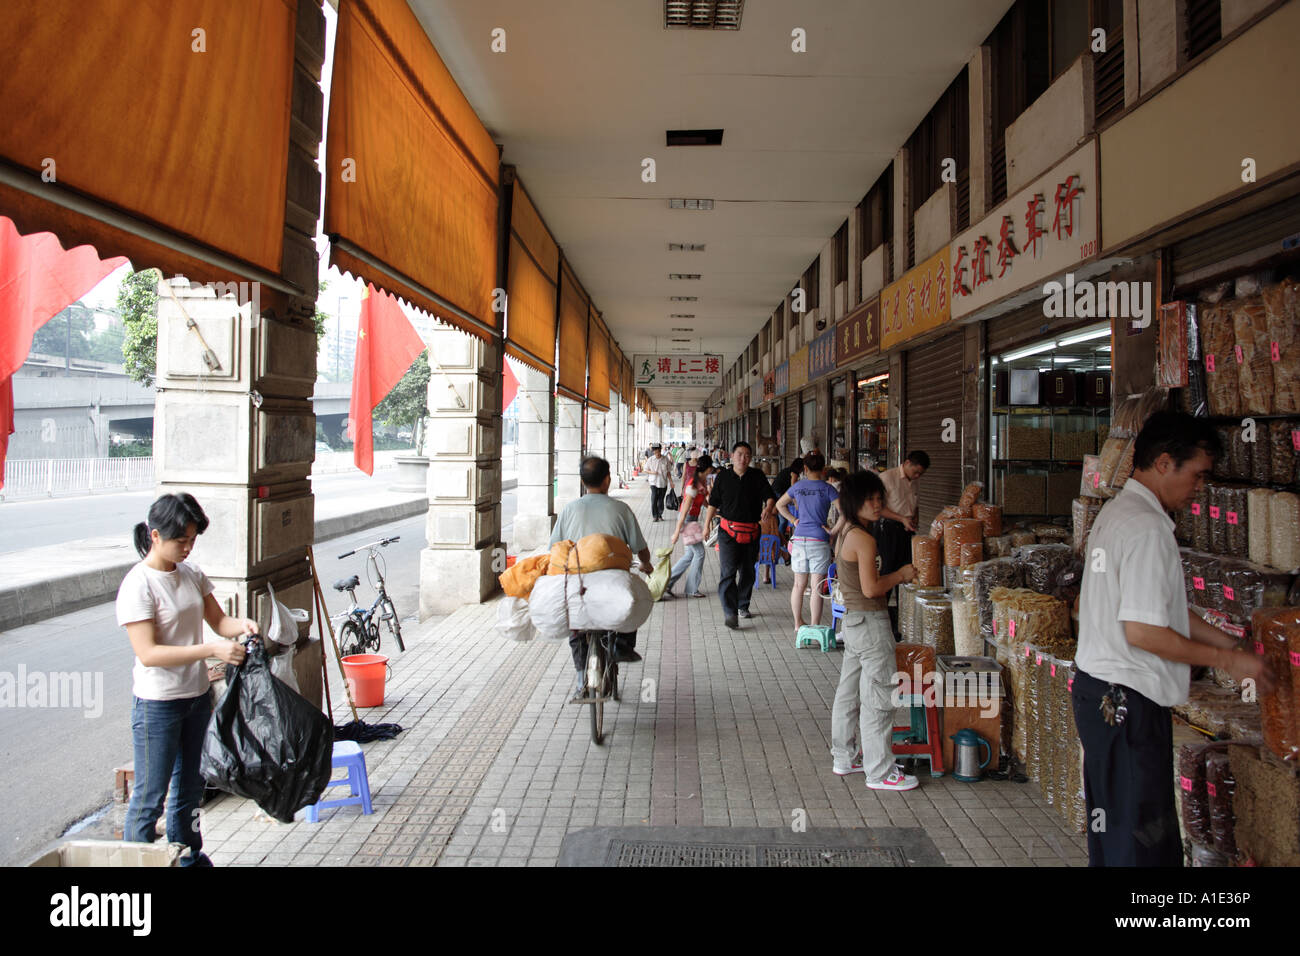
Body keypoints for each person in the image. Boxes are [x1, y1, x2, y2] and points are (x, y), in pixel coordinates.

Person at [1072, 412, 1272, 866]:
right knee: (1139, 840)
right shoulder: (1146, 528)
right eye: (1197, 475)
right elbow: (1144, 632)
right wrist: (1229, 662)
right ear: (1164, 462)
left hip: (1103, 697)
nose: (1200, 487)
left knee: (1117, 831)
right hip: (1126, 705)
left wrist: (1230, 643)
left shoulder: (1118, 512)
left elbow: (1162, 611)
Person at [116, 493, 258, 866]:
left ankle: (189, 858)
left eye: (193, 540)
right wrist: (210, 650)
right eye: (181, 540)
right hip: (157, 705)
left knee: (189, 790)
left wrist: (243, 625)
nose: (188, 548)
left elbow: (220, 622)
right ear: (155, 535)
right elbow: (149, 653)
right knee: (150, 798)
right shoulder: (138, 585)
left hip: (195, 698)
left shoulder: (191, 574)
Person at [828, 471, 920, 790]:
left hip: (853, 623)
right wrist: (901, 575)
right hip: (870, 624)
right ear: (854, 502)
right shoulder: (864, 539)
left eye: (880, 498)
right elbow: (871, 588)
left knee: (848, 693)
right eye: (870, 499)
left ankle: (844, 757)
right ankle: (880, 772)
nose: (877, 504)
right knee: (879, 697)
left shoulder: (845, 531)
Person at [551, 457, 655, 698]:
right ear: (607, 479)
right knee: (633, 600)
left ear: (582, 481)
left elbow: (554, 548)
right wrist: (647, 564)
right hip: (612, 581)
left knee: (577, 628)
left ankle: (581, 680)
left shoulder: (569, 510)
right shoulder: (621, 509)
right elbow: (640, 547)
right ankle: (622, 645)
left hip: (578, 581)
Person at [702, 441, 776, 630]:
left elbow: (769, 496)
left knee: (748, 572)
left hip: (751, 532)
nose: (743, 458)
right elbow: (713, 503)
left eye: (747, 455)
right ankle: (730, 613)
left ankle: (743, 604)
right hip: (728, 532)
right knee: (728, 572)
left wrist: (768, 507)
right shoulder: (723, 477)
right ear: (732, 456)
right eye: (740, 454)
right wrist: (706, 525)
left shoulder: (757, 476)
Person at [775, 452, 839, 634]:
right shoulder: (828, 488)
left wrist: (794, 520)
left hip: (799, 540)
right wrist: (834, 531)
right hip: (819, 540)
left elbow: (780, 505)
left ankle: (798, 624)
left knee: (798, 585)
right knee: (816, 586)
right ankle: (814, 626)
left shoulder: (798, 486)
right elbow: (845, 511)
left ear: (805, 468)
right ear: (824, 469)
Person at [873, 450, 929, 637]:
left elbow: (914, 504)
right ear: (907, 463)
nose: (918, 476)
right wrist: (901, 518)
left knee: (907, 574)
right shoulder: (887, 478)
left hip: (906, 531)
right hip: (888, 530)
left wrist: (913, 519)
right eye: (916, 472)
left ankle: (901, 624)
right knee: (888, 572)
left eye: (921, 474)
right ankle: (879, 620)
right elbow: (878, 509)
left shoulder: (915, 481)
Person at [663, 454, 715, 599]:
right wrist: (676, 531)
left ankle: (667, 583)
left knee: (690, 555)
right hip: (687, 520)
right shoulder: (693, 484)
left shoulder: (701, 482)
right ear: (708, 469)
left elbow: (704, 501)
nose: (711, 472)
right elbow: (685, 509)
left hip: (691, 520)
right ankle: (692, 589)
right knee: (699, 553)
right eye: (711, 470)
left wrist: (714, 510)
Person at [643, 443, 674, 521]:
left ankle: (660, 514)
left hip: (663, 483)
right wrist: (652, 472)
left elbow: (668, 472)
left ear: (660, 450)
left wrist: (671, 482)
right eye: (655, 452)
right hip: (653, 482)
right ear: (653, 452)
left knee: (661, 500)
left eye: (658, 451)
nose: (657, 453)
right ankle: (655, 516)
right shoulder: (650, 460)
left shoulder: (665, 459)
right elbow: (645, 470)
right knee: (654, 499)